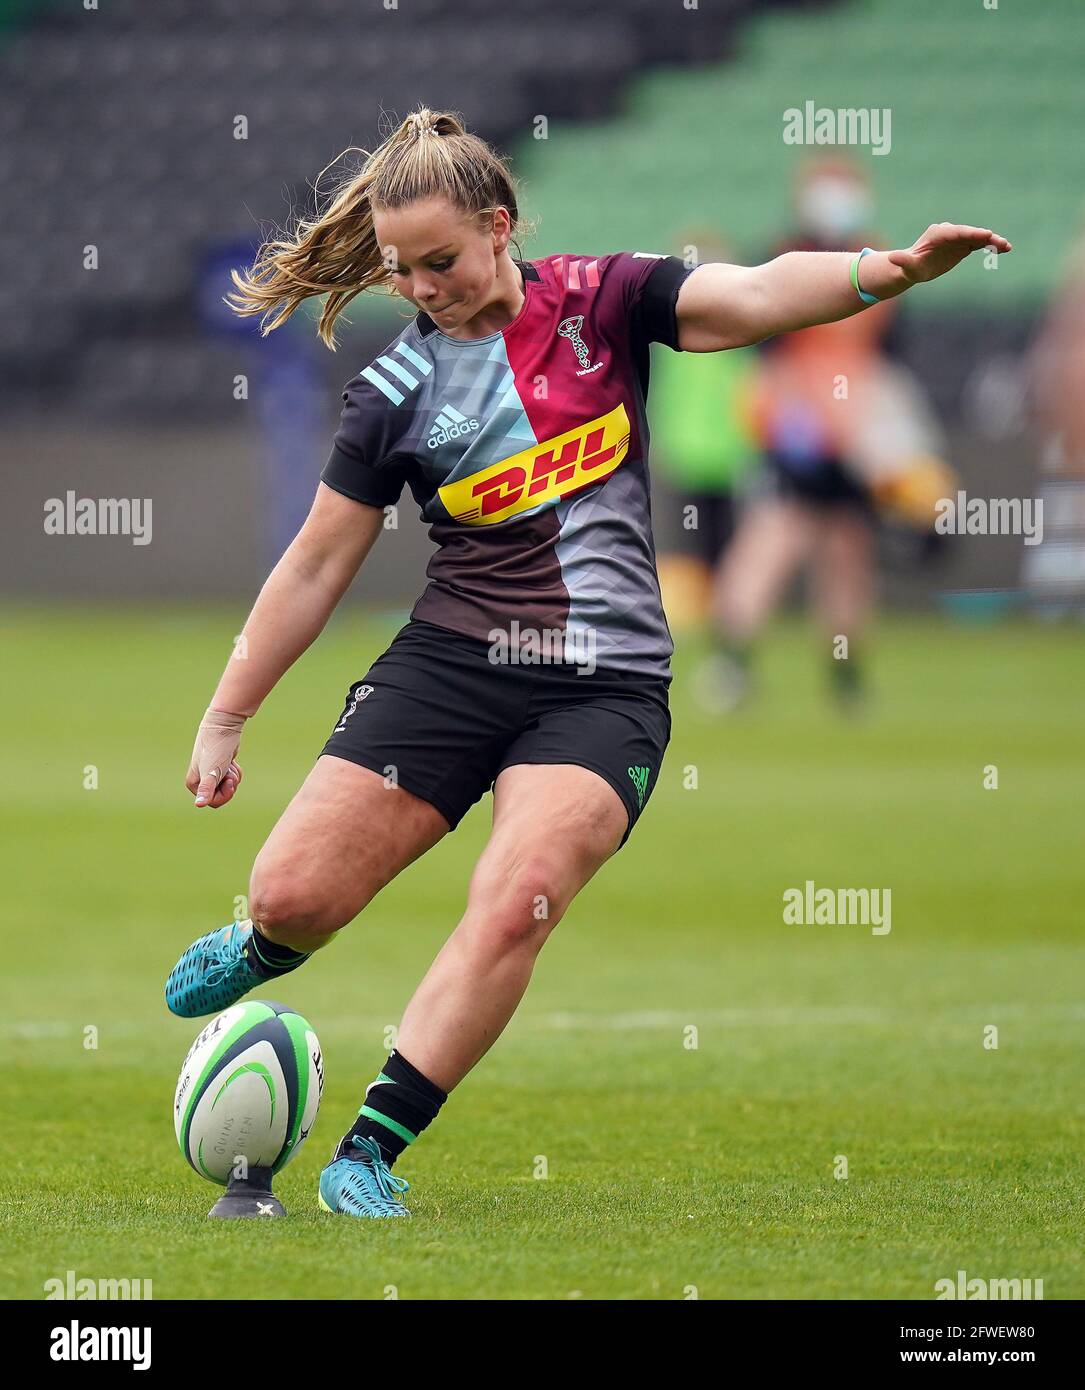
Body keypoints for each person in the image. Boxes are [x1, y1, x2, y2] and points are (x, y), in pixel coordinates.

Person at [163, 106, 1010, 1218]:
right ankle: (269, 942)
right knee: (295, 891)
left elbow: (749, 298)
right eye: (400, 270)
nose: (421, 287)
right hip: (452, 663)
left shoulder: (603, 299)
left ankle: (367, 1149)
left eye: (442, 262)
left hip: (605, 690)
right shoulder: (392, 396)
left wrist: (884, 269)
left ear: (499, 227)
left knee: (518, 898)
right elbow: (317, 564)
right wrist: (227, 716)